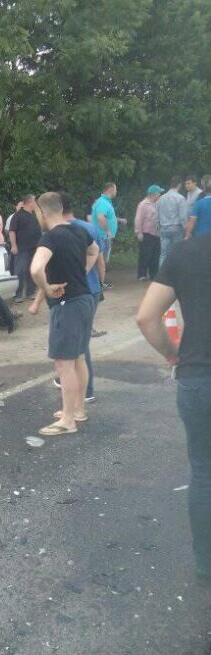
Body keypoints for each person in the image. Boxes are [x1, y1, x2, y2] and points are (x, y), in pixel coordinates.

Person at [136, 231, 211, 586]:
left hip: (199, 376)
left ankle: (206, 564)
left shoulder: (187, 251)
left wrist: (172, 353)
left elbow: (146, 317)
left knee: (205, 473)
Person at [29, 192, 99, 436]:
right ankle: (77, 410)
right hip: (85, 299)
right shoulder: (79, 230)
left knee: (64, 362)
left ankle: (68, 420)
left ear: (42, 212)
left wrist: (47, 288)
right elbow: (94, 250)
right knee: (78, 357)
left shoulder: (50, 237)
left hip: (67, 305)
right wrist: (81, 271)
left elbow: (36, 269)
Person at [8, 194, 41, 302]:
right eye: (35, 201)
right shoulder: (18, 215)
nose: (36, 204)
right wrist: (14, 245)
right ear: (30, 202)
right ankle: (18, 295)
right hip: (21, 248)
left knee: (32, 270)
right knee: (20, 271)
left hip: (34, 247)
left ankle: (30, 293)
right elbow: (12, 231)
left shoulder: (34, 215)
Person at [155, 176, 188, 265]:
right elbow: (183, 217)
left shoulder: (161, 198)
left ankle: (162, 272)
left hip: (163, 228)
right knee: (176, 253)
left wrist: (158, 226)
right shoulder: (180, 198)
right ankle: (175, 272)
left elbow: (156, 215)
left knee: (163, 254)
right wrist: (186, 229)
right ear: (179, 185)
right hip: (176, 228)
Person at [134, 185, 163, 280]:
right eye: (159, 193)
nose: (160, 195)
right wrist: (139, 232)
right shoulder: (143, 204)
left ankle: (153, 274)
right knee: (145, 254)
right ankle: (142, 275)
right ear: (153, 194)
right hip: (146, 233)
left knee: (155, 255)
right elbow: (138, 219)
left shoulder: (157, 203)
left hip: (157, 233)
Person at [91, 183, 119, 266]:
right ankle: (99, 274)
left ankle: (100, 274)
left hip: (103, 236)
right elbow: (100, 217)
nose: (116, 191)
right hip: (102, 236)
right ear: (110, 190)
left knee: (101, 261)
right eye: (115, 189)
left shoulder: (104, 202)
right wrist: (108, 231)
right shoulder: (103, 202)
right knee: (101, 261)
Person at [185, 175, 211, 239]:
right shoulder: (189, 194)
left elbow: (192, 221)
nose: (187, 185)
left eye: (189, 183)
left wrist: (187, 235)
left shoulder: (199, 202)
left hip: (201, 235)